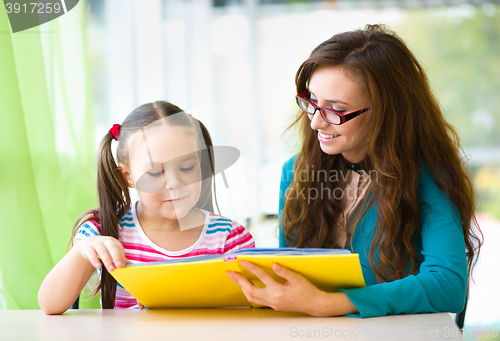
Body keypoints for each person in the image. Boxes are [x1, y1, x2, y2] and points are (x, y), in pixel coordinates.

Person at [227, 24, 482, 318]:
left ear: (387, 112)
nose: (315, 124)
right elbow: (290, 276)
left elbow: (448, 287)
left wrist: (329, 304)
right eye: (311, 102)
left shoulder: (429, 175)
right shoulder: (295, 172)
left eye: (335, 110)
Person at [38, 101, 255, 314]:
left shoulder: (230, 238)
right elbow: (49, 305)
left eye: (187, 166)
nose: (174, 182)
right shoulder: (105, 231)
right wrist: (81, 252)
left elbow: (253, 309)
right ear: (128, 176)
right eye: (155, 172)